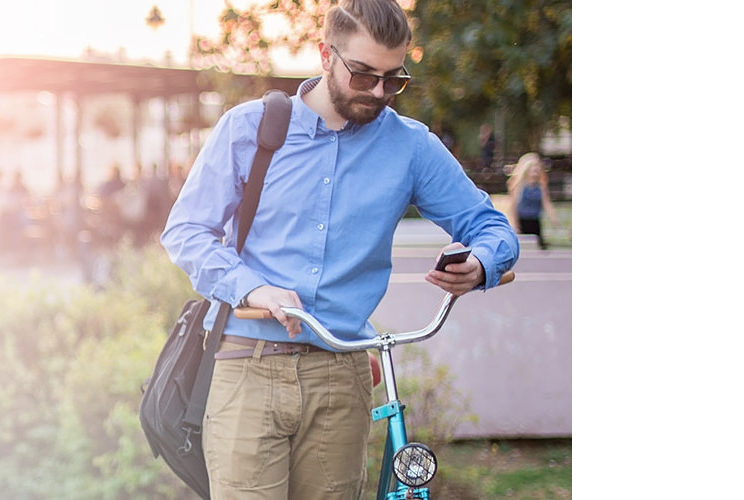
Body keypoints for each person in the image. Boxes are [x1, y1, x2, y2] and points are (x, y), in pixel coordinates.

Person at [158, 1, 519, 498]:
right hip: (247, 363)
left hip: (342, 373)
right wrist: (256, 289)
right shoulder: (249, 129)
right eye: (364, 74)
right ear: (326, 54)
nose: (378, 92)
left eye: (394, 79)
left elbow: (490, 226)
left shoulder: (410, 146)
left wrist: (482, 263)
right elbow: (187, 232)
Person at [507, 152, 560, 250]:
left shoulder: (540, 187)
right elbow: (513, 206)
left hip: (535, 220)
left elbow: (546, 202)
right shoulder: (519, 186)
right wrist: (515, 224)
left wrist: (553, 218)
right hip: (522, 220)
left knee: (538, 246)